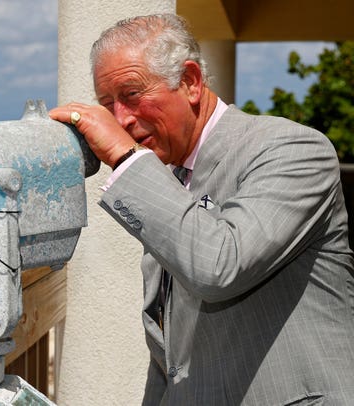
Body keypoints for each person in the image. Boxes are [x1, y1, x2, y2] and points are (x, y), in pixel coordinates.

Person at [50, 13, 354, 405]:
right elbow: (169, 354)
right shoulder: (170, 177)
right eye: (108, 104)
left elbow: (218, 266)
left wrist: (124, 157)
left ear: (190, 82)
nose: (120, 119)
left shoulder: (292, 150)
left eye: (131, 94)